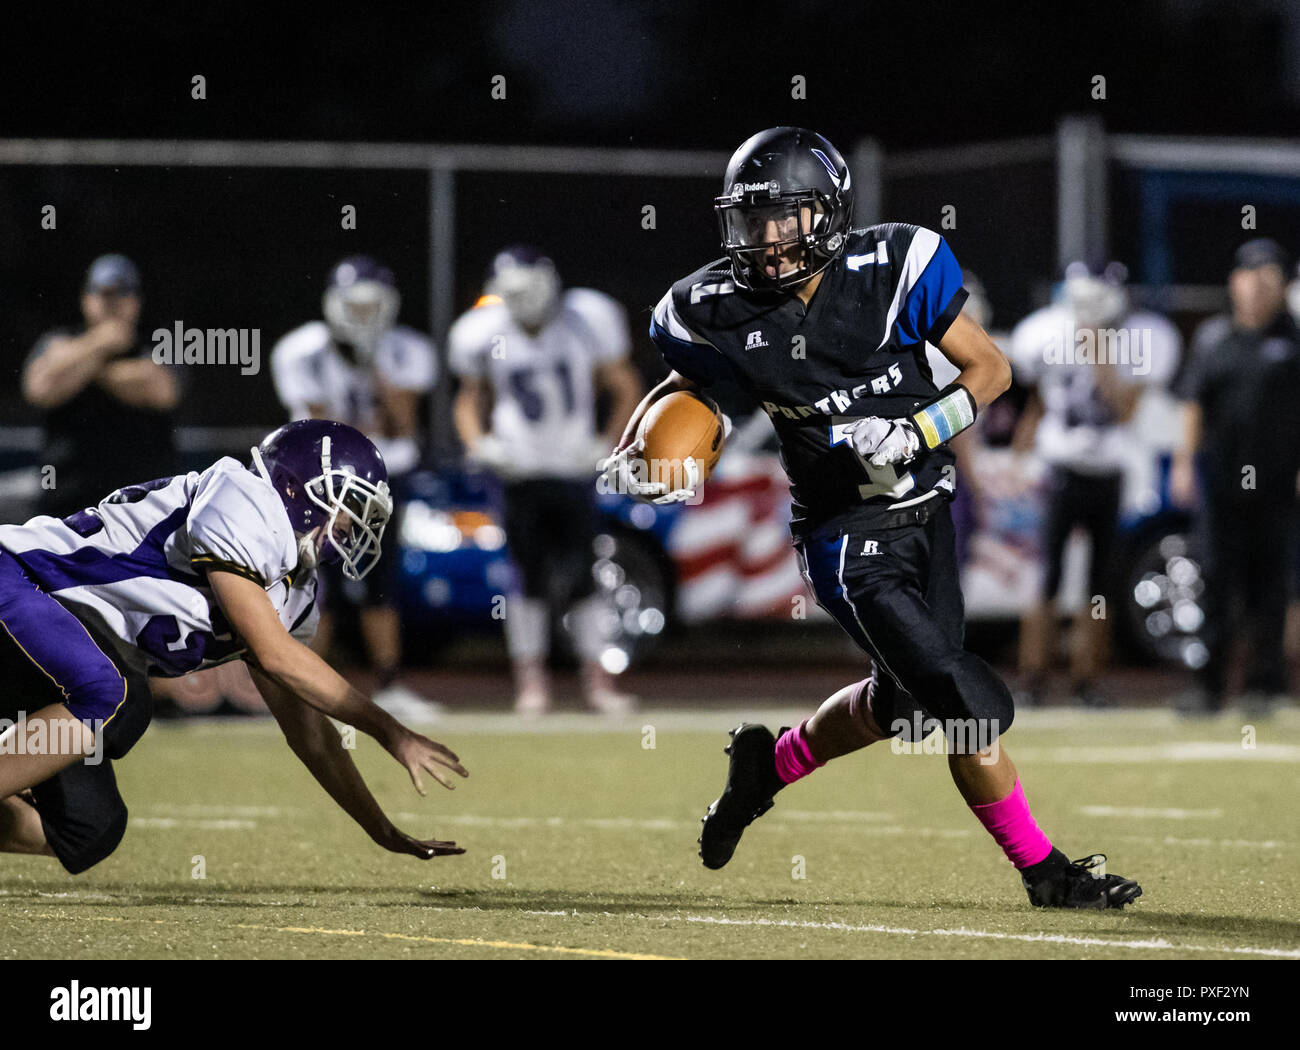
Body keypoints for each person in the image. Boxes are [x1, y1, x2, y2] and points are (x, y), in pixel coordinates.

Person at [606, 127, 1141, 908]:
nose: (766, 237)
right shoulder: (710, 308)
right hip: (843, 535)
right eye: (751, 219)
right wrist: (638, 448)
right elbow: (689, 390)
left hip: (927, 509)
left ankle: (769, 766)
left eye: (783, 216)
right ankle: (1047, 873)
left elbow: (990, 369)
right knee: (965, 706)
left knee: (899, 705)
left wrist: (916, 429)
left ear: (825, 212)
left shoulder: (894, 265)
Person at [0, 419, 468, 874]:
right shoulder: (244, 498)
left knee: (88, 829)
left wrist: (380, 829)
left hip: (46, 654)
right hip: (15, 580)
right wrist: (391, 731)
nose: (353, 526)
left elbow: (311, 735)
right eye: (350, 506)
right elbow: (275, 655)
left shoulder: (294, 593)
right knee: (116, 696)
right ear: (299, 488)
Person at [450, 247, 643, 716]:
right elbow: (468, 401)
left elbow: (626, 386)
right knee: (526, 579)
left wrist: (607, 441)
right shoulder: (484, 333)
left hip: (574, 467)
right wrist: (481, 446)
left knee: (583, 576)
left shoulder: (585, 319)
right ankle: (531, 685)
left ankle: (597, 683)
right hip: (519, 471)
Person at [271, 257, 438, 721]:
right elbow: (327, 429)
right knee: (314, 579)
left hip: (382, 476)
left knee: (377, 581)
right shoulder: (301, 350)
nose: (363, 317)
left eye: (372, 308)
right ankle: (306, 687)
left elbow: (403, 426)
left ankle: (389, 683)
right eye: (355, 308)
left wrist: (374, 365)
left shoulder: (406, 349)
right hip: (317, 481)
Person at [1010, 261, 1182, 706]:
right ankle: (1032, 679)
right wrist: (1017, 458)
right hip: (1060, 471)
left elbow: (1125, 410)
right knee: (1045, 577)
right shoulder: (1044, 332)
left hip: (1109, 473)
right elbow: (1036, 404)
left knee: (1100, 584)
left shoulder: (1144, 338)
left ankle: (1088, 682)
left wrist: (1100, 354)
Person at [1171, 238, 1300, 715]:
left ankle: (1264, 688)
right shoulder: (1213, 339)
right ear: (1234, 282)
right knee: (1215, 581)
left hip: (1278, 483)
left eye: (1269, 278)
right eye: (1251, 276)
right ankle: (1207, 687)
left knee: (1269, 585)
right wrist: (1184, 463)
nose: (1258, 287)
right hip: (1222, 484)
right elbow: (1193, 404)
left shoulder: (1293, 340)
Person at [22, 254, 179, 517]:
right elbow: (40, 388)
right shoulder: (58, 338)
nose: (112, 303)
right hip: (66, 509)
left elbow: (161, 390)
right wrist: (102, 342)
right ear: (86, 298)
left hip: (144, 511)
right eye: (104, 293)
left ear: (136, 301)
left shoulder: (155, 343)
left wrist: (82, 367)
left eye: (122, 293)